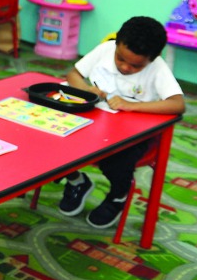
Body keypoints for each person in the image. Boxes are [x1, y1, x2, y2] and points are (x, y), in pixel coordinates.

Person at [58, 16, 185, 228]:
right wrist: (87, 90)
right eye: (120, 59)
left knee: (116, 160)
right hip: (94, 123)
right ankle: (76, 182)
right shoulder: (106, 50)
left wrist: (132, 105)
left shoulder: (158, 67)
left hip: (132, 135)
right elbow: (74, 74)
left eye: (135, 66)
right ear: (117, 44)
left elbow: (177, 104)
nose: (125, 67)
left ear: (152, 59)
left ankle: (118, 196)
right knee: (55, 138)